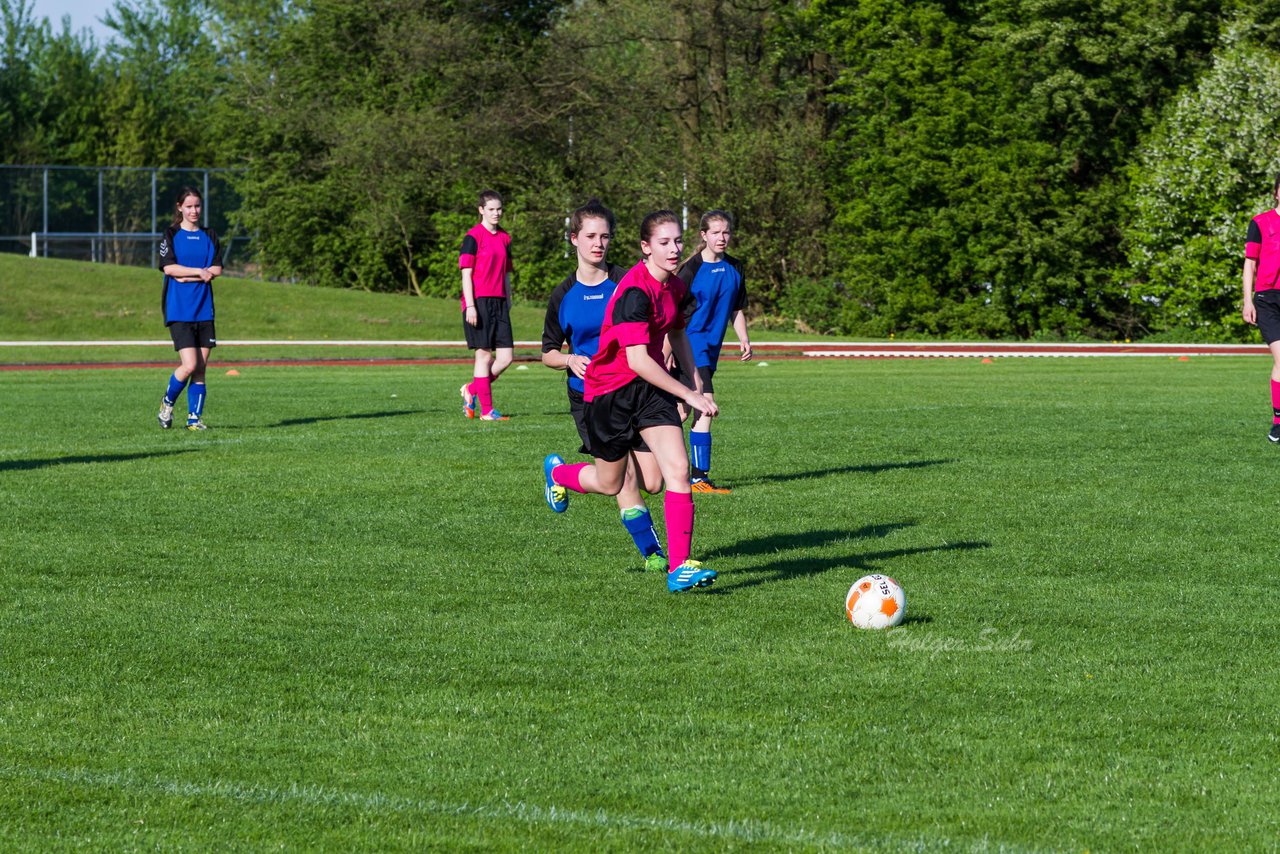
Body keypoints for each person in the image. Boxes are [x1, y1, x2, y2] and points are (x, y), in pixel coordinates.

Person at [542, 210, 719, 593]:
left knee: (673, 471)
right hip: (609, 394)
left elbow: (678, 333)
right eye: (664, 243)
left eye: (677, 241)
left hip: (649, 390)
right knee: (609, 483)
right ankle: (558, 474)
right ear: (645, 248)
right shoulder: (634, 291)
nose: (673, 250)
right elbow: (637, 360)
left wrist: (695, 382)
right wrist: (685, 393)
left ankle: (679, 568)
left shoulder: (674, 286)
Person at [541, 199, 667, 573]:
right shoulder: (563, 295)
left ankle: (559, 474)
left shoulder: (628, 283)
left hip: (636, 391)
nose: (599, 243)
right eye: (591, 236)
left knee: (655, 481)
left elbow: (654, 326)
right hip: (591, 397)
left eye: (605, 236)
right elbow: (547, 352)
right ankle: (653, 554)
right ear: (574, 238)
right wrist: (568, 359)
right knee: (620, 481)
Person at [673, 209, 752, 491]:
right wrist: (668, 351)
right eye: (716, 232)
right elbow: (672, 315)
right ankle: (699, 478)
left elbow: (736, 309)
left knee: (680, 413)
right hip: (690, 345)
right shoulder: (690, 270)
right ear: (703, 235)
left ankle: (639, 454)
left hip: (712, 348)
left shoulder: (735, 267)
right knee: (705, 406)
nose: (722, 237)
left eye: (726, 232)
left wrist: (743, 337)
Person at [156, 187, 223, 431]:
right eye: (189, 206)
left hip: (204, 310)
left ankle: (194, 420)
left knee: (201, 368)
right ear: (179, 207)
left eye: (197, 206)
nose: (194, 211)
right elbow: (169, 268)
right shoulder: (171, 234)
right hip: (180, 310)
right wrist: (198, 271)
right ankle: (167, 403)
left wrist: (191, 275)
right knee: (190, 365)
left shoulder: (210, 235)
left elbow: (216, 270)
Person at [459, 190, 514, 421]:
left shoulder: (505, 238)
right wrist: (470, 306)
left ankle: (472, 389)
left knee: (506, 358)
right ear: (481, 210)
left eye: (499, 209)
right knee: (483, 356)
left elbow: (507, 274)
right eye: (491, 209)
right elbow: (466, 273)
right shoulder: (473, 237)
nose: (496, 213)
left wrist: (509, 299)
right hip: (478, 301)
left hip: (500, 302)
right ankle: (487, 411)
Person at [1243, 175, 1280, 443]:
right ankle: (1278, 422)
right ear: (1276, 193)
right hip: (1267, 299)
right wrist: (1248, 300)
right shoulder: (1260, 222)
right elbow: (1250, 264)